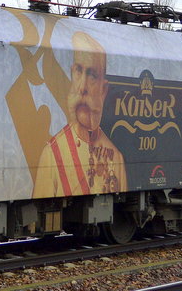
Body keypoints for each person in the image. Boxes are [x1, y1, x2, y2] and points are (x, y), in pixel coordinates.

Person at [33, 31, 126, 197]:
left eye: (91, 75)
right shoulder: (53, 154)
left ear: (103, 90)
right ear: (71, 74)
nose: (82, 87)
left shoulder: (117, 158)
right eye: (78, 71)